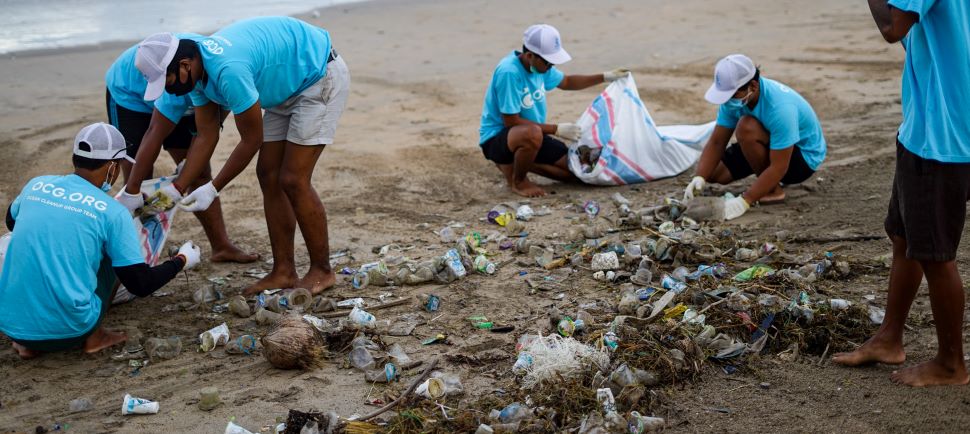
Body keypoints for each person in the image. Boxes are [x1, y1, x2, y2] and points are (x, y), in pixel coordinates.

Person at [134, 16, 350, 295]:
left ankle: (322, 270)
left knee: (293, 178)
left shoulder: (227, 70)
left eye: (168, 81)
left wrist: (213, 188)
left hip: (317, 74)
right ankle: (284, 271)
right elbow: (206, 133)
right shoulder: (197, 75)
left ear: (185, 65)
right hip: (284, 88)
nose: (168, 89)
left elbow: (252, 139)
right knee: (268, 175)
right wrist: (177, 187)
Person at [833, 0, 970, 387]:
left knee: (934, 254)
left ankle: (950, 364)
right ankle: (889, 337)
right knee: (904, 234)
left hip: (939, 134)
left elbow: (894, 27)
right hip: (936, 120)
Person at [0, 123, 201, 359]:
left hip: (10, 326)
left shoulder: (36, 184)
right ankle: (95, 338)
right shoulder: (111, 212)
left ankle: (27, 343)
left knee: (20, 241)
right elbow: (140, 284)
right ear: (112, 168)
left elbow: (12, 223)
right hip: (69, 331)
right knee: (113, 255)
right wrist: (181, 260)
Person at [106, 34, 257, 263]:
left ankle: (221, 246)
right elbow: (154, 132)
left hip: (177, 83)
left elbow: (210, 128)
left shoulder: (202, 73)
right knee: (138, 174)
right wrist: (132, 191)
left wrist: (184, 177)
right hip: (130, 95)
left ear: (187, 66)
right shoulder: (173, 85)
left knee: (198, 171)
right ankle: (136, 256)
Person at [478, 24, 629, 198]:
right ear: (530, 56)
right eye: (549, 62)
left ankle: (516, 162)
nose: (551, 66)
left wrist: (604, 76)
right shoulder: (509, 73)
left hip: (532, 133)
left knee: (577, 173)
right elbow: (511, 122)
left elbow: (567, 82)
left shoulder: (540, 67)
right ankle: (518, 181)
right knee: (532, 134)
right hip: (499, 137)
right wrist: (556, 129)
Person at [683, 54, 826, 220]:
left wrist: (745, 200)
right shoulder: (736, 100)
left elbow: (780, 167)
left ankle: (773, 191)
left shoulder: (781, 108)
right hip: (766, 141)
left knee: (746, 127)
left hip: (802, 158)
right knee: (715, 173)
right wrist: (700, 177)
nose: (727, 101)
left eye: (731, 94)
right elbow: (717, 142)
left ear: (753, 85)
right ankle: (765, 180)